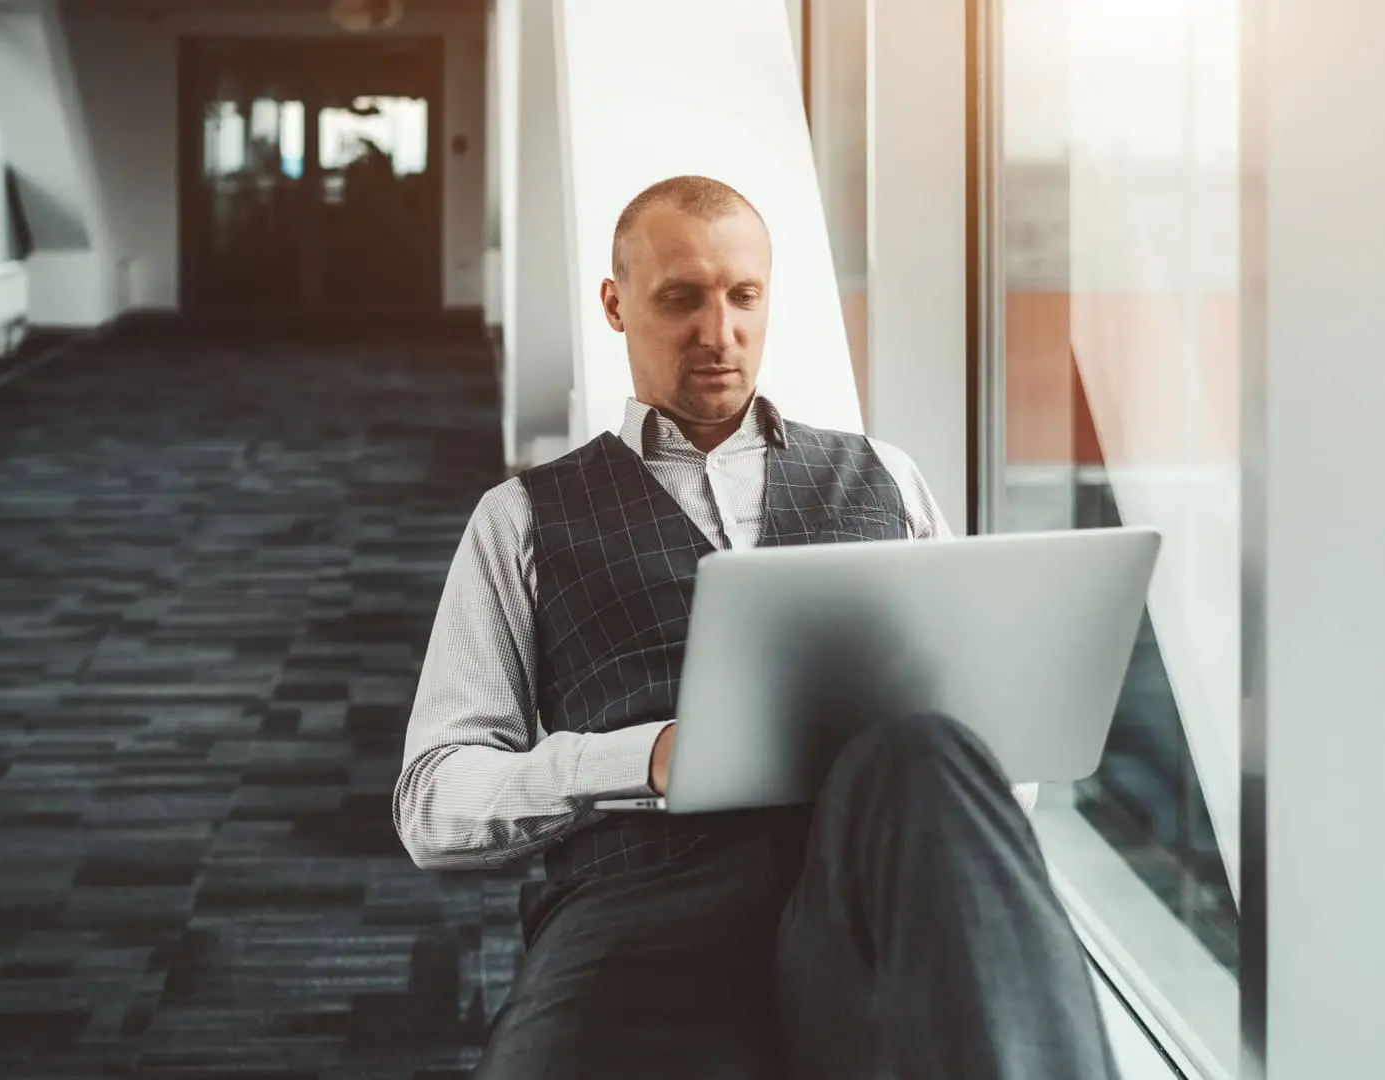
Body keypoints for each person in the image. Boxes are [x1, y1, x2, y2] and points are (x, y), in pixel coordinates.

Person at [395, 175, 1117, 1080]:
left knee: (930, 750)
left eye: (744, 297)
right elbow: (432, 801)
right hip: (641, 906)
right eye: (681, 299)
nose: (719, 332)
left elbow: (989, 764)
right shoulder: (522, 518)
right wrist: (641, 757)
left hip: (859, 891)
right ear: (616, 306)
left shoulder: (882, 476)